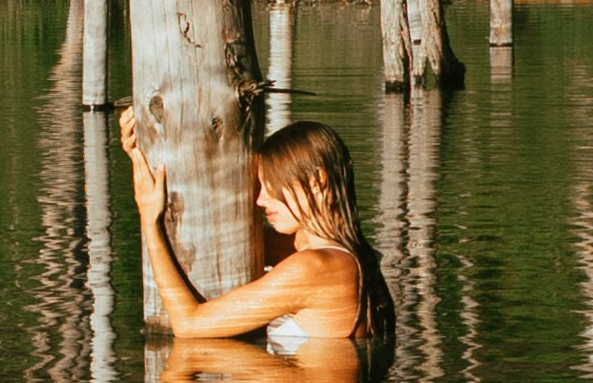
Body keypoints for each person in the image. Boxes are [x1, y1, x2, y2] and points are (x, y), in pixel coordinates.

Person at [119, 109, 394, 350]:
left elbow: (189, 325)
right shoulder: (350, 254)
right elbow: (212, 239)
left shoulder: (315, 267)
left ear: (316, 182)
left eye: (271, 186)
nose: (261, 200)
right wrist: (144, 148)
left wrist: (149, 218)